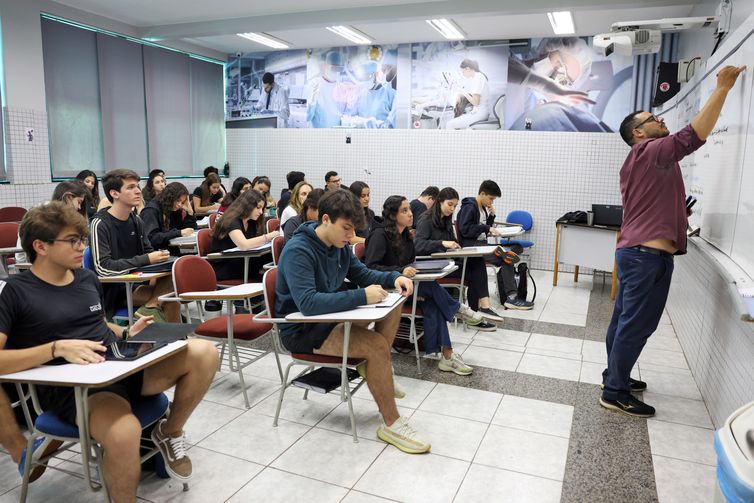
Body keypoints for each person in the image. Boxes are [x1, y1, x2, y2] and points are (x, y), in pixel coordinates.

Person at [0, 202, 219, 500]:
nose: (82, 248)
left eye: (82, 240)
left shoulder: (86, 278)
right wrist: (55, 348)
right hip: (82, 387)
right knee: (124, 431)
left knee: (204, 353)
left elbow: (97, 322)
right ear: (41, 246)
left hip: (120, 361)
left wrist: (127, 331)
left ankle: (169, 432)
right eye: (73, 241)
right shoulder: (17, 291)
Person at [600, 65, 745, 418]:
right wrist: (723, 88)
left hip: (639, 253)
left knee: (624, 322)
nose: (661, 121)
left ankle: (615, 376)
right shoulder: (649, 151)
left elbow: (656, 203)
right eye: (654, 118)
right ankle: (614, 391)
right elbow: (692, 136)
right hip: (645, 256)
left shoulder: (647, 161)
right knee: (636, 325)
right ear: (639, 132)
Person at [276, 189, 429, 454]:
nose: (350, 236)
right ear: (326, 219)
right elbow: (308, 304)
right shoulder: (298, 250)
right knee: (377, 348)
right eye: (346, 229)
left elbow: (362, 272)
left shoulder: (339, 246)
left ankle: (378, 369)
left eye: (353, 230)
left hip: (331, 318)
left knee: (393, 304)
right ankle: (391, 423)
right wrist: (361, 295)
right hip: (304, 328)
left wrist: (393, 278)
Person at [364, 195, 486, 373]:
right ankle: (458, 310)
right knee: (430, 287)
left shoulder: (406, 235)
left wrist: (408, 270)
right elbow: (371, 269)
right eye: (404, 211)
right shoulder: (379, 235)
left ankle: (447, 355)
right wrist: (400, 271)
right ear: (392, 215)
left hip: (407, 287)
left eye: (410, 210)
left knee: (434, 303)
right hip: (387, 289)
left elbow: (410, 264)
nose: (411, 214)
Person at [90, 169, 178, 323]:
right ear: (114, 193)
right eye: (130, 187)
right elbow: (103, 268)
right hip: (117, 290)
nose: (138, 191)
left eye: (138, 186)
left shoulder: (136, 221)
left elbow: (148, 253)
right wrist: (146, 259)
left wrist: (161, 257)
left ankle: (153, 312)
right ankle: (174, 341)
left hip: (141, 282)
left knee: (174, 273)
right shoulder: (100, 223)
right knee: (169, 297)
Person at [414, 187, 500, 330]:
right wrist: (441, 243)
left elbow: (452, 241)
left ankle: (477, 311)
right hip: (432, 265)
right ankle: (478, 312)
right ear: (439, 201)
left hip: (445, 262)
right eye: (450, 205)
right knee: (475, 270)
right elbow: (418, 245)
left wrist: (458, 248)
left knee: (476, 262)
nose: (452, 209)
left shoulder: (446, 220)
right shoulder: (426, 219)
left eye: (455, 206)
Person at [457, 180, 533, 313]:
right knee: (508, 257)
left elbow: (482, 229)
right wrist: (488, 227)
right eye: (491, 198)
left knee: (515, 249)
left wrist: (491, 217)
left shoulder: (482, 209)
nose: (491, 202)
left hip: (482, 245)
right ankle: (511, 297)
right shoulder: (470, 207)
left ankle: (511, 296)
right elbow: (465, 229)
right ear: (482, 193)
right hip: (473, 247)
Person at [209, 189, 280, 282]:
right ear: (248, 205)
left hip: (242, 260)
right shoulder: (232, 221)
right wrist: (269, 236)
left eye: (262, 208)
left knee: (273, 257)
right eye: (258, 207)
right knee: (267, 262)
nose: (261, 212)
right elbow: (244, 244)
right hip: (224, 265)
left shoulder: (251, 222)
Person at [15, 180, 89, 264]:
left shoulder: (63, 217)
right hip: (31, 264)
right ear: (68, 197)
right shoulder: (44, 216)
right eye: (79, 202)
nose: (79, 207)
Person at [141, 182, 197, 252]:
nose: (180, 205)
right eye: (178, 200)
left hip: (171, 251)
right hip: (156, 254)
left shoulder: (173, 209)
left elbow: (188, 230)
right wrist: (178, 233)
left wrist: (190, 213)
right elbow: (152, 238)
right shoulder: (151, 210)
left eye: (182, 202)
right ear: (169, 198)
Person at [306, 51, 350, 128]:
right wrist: (312, 101)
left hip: (336, 135)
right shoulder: (314, 84)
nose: (336, 72)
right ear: (325, 66)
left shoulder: (342, 89)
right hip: (318, 136)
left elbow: (345, 116)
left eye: (338, 69)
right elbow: (308, 117)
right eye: (333, 68)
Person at [445, 59, 490, 130]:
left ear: (468, 69)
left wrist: (463, 92)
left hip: (479, 113)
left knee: (449, 124)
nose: (463, 74)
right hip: (480, 112)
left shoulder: (478, 78)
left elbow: (476, 102)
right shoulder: (479, 76)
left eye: (463, 72)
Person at [353, 61, 396, 129]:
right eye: (362, 78)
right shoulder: (360, 94)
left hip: (382, 136)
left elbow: (392, 125)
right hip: (361, 136)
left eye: (367, 77)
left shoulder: (390, 93)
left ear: (376, 75)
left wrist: (371, 124)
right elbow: (352, 118)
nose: (365, 80)